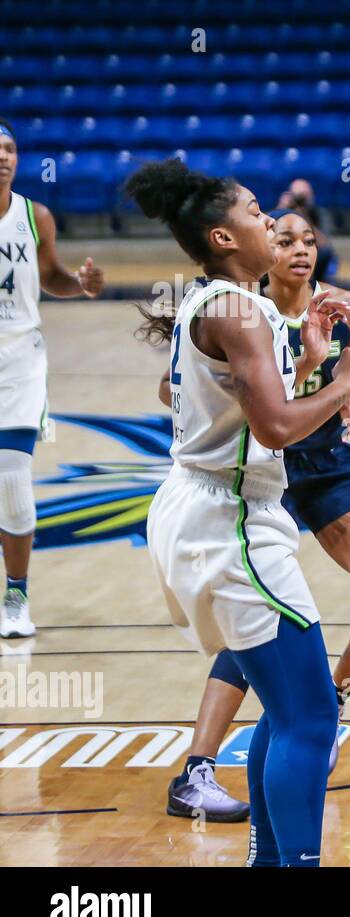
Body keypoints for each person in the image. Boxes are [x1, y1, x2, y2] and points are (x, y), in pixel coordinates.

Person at [127, 157, 350, 866]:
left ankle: (271, 859)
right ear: (223, 238)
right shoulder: (239, 308)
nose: (268, 219)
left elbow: (225, 403)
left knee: (284, 705)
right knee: (310, 715)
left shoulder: (217, 304)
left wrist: (305, 366)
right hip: (230, 524)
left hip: (202, 510)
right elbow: (273, 429)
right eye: (253, 211)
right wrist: (345, 380)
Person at [163, 208, 350, 824]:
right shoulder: (239, 309)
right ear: (259, 247)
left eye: (308, 239)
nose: (300, 249)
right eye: (284, 237)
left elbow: (349, 380)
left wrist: (348, 402)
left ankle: (327, 707)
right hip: (256, 470)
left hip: (325, 464)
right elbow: (181, 392)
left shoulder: (342, 306)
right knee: (258, 620)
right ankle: (199, 764)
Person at [0, 117, 104, 639]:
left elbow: (51, 277)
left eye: (10, 148)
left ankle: (15, 594)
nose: (4, 157)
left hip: (20, 357)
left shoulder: (35, 215)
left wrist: (80, 284)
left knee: (13, 481)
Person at [275, 179, 338, 282]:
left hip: (317, 260)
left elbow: (325, 244)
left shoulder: (321, 214)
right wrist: (280, 210)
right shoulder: (281, 214)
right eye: (297, 196)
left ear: (312, 196)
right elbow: (268, 239)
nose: (300, 200)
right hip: (286, 256)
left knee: (325, 253)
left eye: (304, 195)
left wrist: (302, 216)